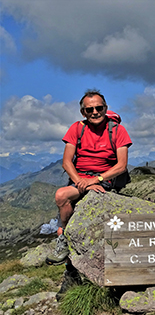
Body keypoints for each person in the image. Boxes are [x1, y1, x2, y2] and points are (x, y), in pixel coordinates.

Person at [46, 89, 132, 266]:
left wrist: (96, 180)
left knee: (66, 197)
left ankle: (65, 240)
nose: (95, 112)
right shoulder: (77, 128)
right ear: (83, 112)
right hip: (80, 180)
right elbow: (67, 162)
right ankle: (64, 239)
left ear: (105, 108)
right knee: (61, 195)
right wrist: (82, 183)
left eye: (99, 108)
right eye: (89, 110)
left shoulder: (118, 130)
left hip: (106, 180)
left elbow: (121, 166)